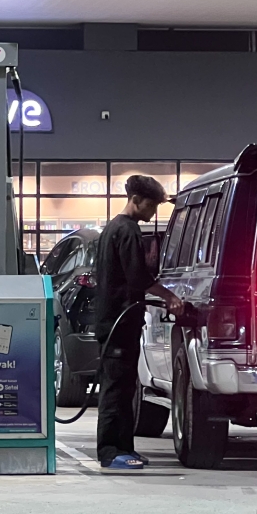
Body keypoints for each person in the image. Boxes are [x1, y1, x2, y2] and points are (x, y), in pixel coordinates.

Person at [94, 175, 184, 472]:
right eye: (151, 204)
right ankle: (110, 452)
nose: (153, 211)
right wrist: (169, 296)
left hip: (119, 321)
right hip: (118, 323)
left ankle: (123, 448)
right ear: (136, 199)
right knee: (116, 391)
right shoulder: (127, 230)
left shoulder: (113, 229)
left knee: (125, 389)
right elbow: (138, 278)